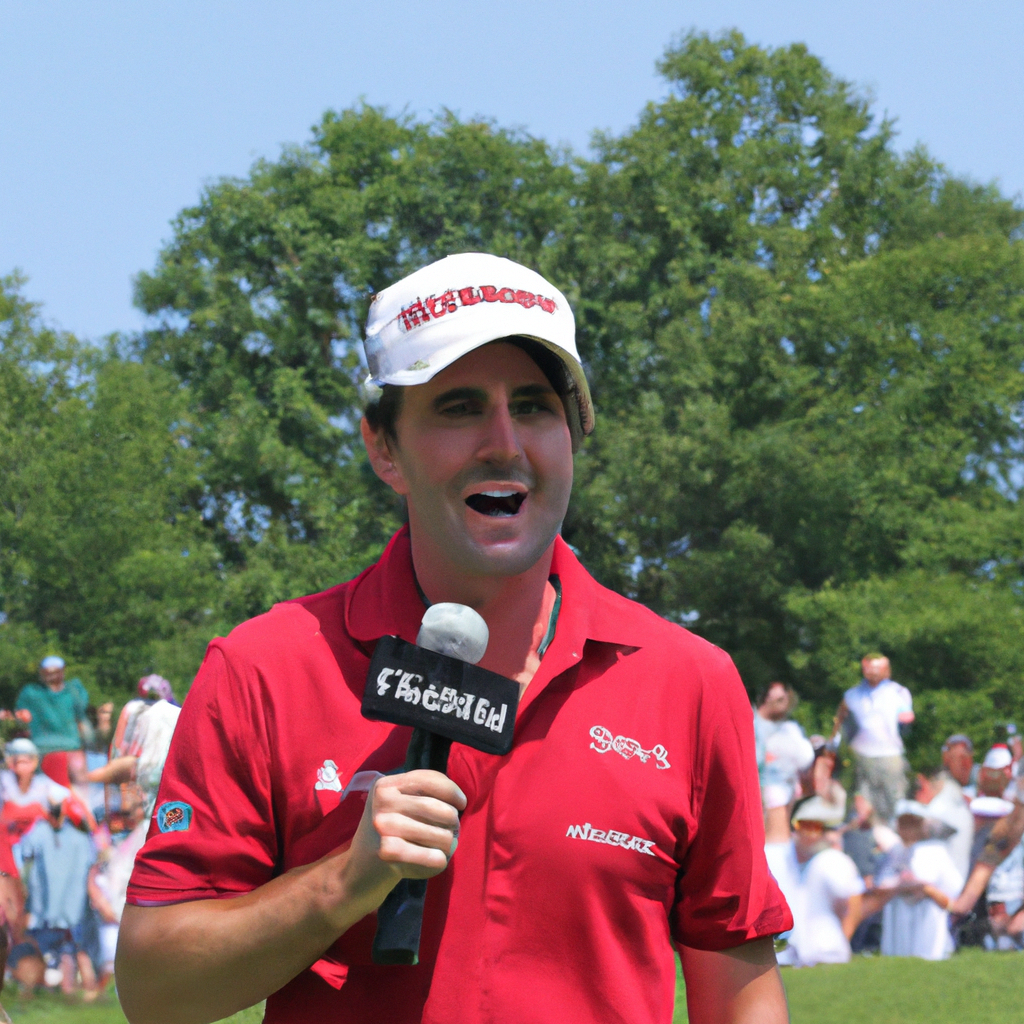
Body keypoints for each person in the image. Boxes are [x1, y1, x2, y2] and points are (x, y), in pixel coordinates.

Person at [117, 253, 791, 1024]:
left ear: (575, 435)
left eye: (534, 407)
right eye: (459, 407)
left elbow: (741, 993)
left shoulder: (689, 681)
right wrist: (344, 882)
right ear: (384, 449)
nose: (503, 442)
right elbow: (154, 992)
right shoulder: (267, 666)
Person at [9, 799, 99, 998]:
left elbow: (22, 853)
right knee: (71, 948)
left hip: (59, 909)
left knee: (60, 948)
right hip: (64, 909)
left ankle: (55, 989)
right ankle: (71, 990)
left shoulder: (46, 833)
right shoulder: (78, 837)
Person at [765, 798, 864, 967]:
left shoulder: (833, 860)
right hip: (784, 957)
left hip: (827, 954)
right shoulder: (776, 856)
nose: (814, 834)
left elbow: (853, 902)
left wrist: (842, 940)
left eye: (819, 828)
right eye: (806, 827)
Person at [865, 800, 963, 960]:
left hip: (929, 933)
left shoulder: (937, 852)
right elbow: (879, 888)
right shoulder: (893, 853)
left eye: (914, 822)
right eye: (904, 822)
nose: (909, 827)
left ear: (923, 824)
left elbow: (954, 891)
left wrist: (926, 889)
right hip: (897, 938)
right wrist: (903, 885)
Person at [831, 654, 914, 824]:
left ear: (887, 670)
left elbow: (906, 723)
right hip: (860, 756)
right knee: (862, 803)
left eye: (879, 668)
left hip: (890, 754)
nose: (874, 672)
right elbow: (841, 723)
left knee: (894, 801)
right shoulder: (851, 695)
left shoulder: (899, 692)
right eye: (870, 668)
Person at [15, 656, 90, 788]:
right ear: (42, 673)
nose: (51, 676)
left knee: (80, 777)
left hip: (70, 747)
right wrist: (21, 717)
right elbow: (19, 717)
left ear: (62, 671)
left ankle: (82, 806)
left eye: (55, 672)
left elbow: (81, 715)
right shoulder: (31, 692)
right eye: (47, 672)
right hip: (41, 748)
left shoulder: (73, 690)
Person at [754, 682, 815, 842]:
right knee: (776, 841)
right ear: (767, 699)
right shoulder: (754, 724)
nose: (784, 705)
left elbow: (803, 758)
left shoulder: (788, 728)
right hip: (766, 791)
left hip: (785, 789)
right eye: (779, 699)